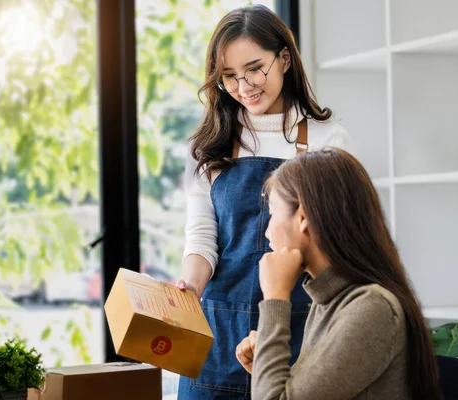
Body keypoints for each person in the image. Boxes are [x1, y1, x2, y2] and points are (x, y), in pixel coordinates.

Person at [176, 4, 354, 399]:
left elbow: (340, 246)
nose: (245, 86)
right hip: (217, 335)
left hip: (297, 328)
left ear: (285, 58)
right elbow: (202, 237)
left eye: (255, 68)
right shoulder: (208, 146)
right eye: (229, 77)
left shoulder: (328, 139)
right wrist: (188, 286)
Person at [235, 147, 443, 400]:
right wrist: (264, 367)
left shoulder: (371, 307)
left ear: (302, 218)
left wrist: (275, 295)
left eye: (272, 215)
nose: (267, 233)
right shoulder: (329, 300)